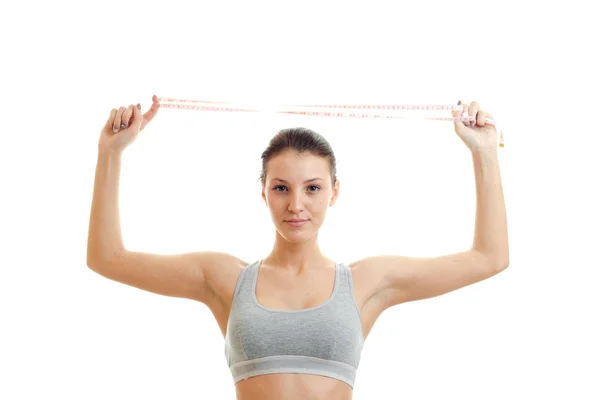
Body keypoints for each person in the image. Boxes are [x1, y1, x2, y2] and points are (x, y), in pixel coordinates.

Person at [87, 95, 509, 400]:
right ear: (264, 192)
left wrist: (485, 153)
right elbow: (107, 258)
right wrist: (111, 153)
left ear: (334, 192)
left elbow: (489, 258)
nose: (296, 205)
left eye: (312, 188)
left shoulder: (366, 282)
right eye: (281, 188)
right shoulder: (225, 278)